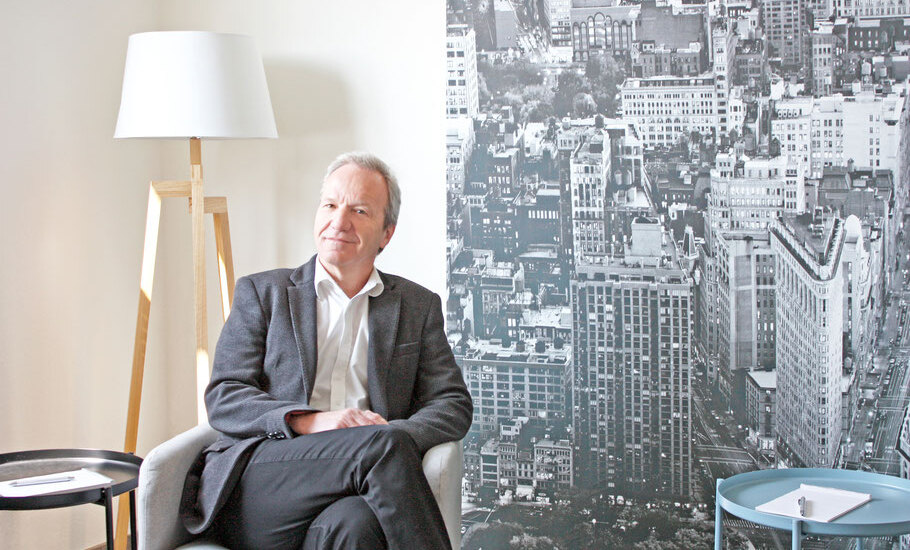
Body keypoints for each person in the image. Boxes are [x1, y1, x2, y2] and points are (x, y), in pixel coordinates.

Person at [180, 152, 473, 549]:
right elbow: (225, 397)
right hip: (264, 483)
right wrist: (310, 422)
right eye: (331, 205)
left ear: (386, 234)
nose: (339, 221)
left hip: (356, 486)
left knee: (356, 528)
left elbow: (452, 402)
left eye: (359, 210)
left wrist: (393, 437)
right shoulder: (263, 294)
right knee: (382, 449)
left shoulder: (416, 306)